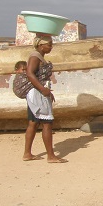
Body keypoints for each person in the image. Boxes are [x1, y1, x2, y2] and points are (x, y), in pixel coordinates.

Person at [23, 35, 67, 163]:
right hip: (37, 94)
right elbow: (30, 73)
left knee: (33, 122)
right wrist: (43, 90)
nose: (51, 47)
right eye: (49, 44)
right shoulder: (35, 57)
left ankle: (27, 154)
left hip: (37, 93)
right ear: (41, 45)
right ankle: (51, 156)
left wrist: (47, 92)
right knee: (47, 123)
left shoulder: (38, 56)